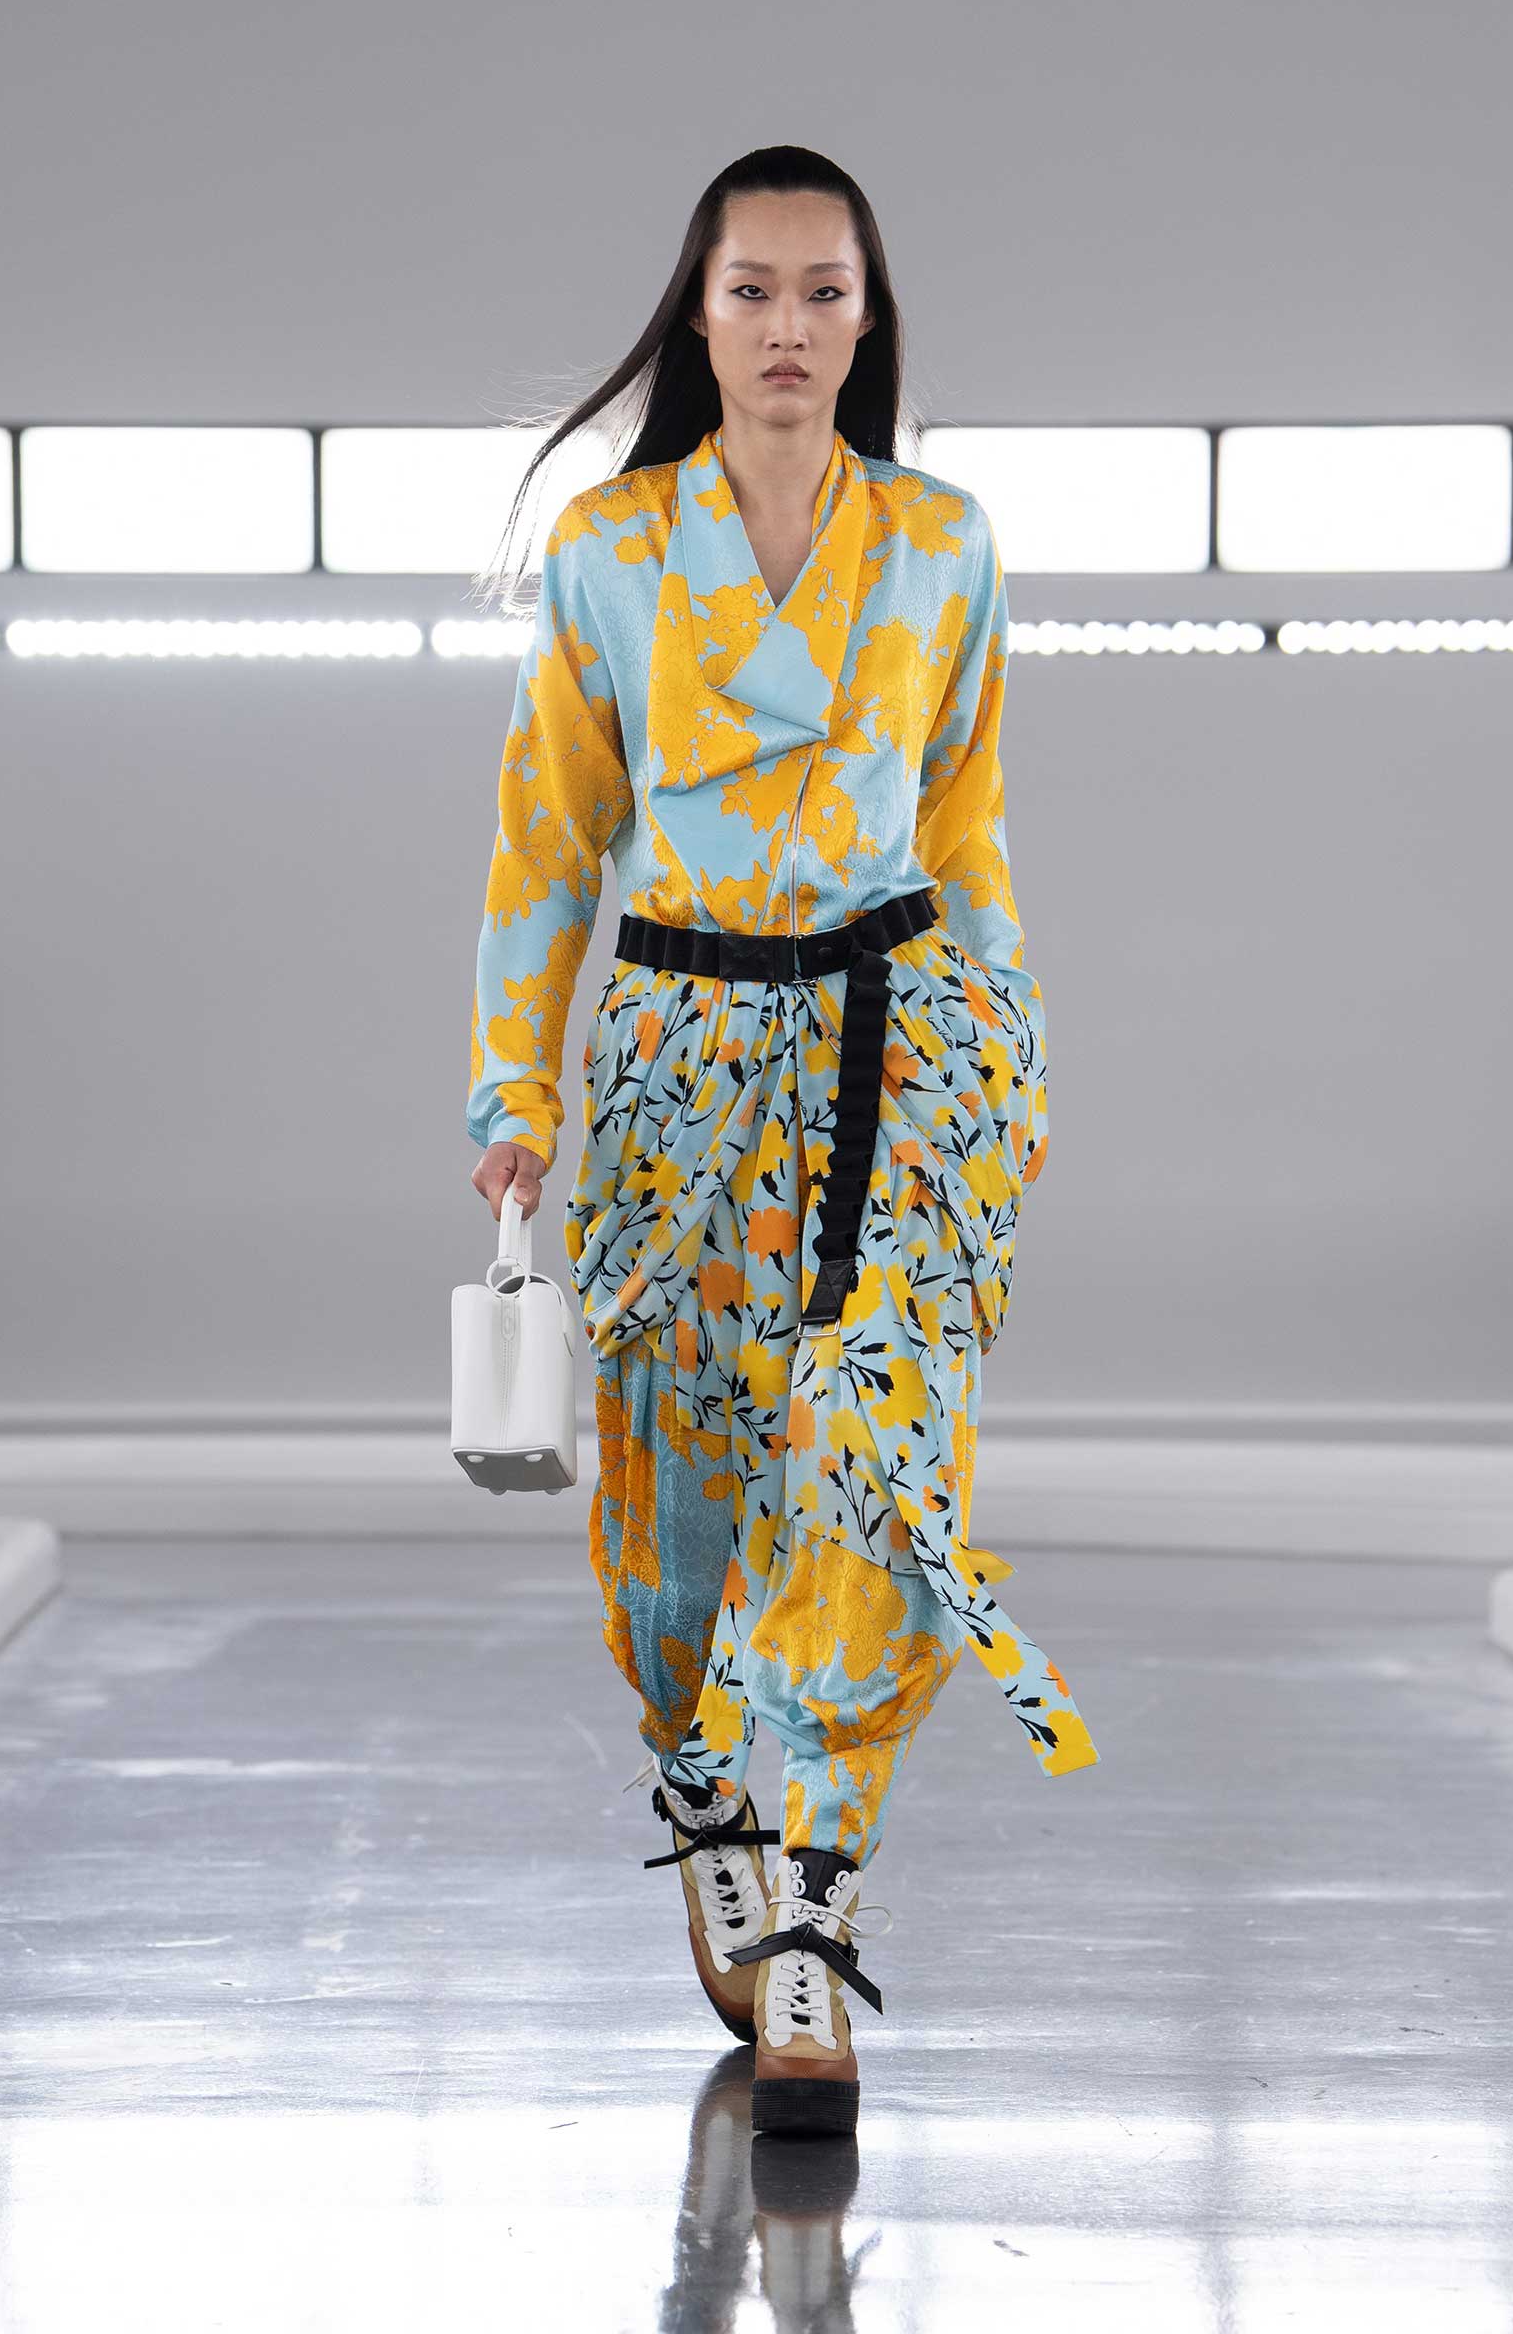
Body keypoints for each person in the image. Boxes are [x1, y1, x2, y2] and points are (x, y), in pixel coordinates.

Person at [466, 144, 1099, 2138]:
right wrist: (514, 1088)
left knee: (870, 1470)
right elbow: (549, 836)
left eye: (826, 291)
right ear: (699, 308)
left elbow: (967, 818)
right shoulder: (609, 551)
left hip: (897, 1057)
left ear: (868, 316)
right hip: (678, 1068)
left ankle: (814, 1918)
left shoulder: (941, 543)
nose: (789, 329)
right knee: (681, 1509)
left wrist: (1008, 1054)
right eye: (753, 289)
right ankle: (709, 1798)